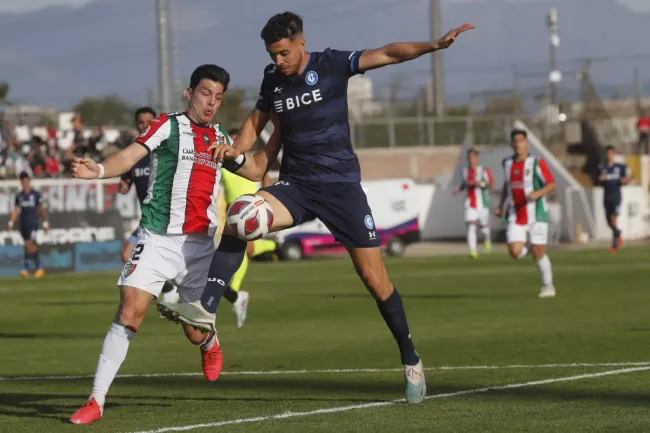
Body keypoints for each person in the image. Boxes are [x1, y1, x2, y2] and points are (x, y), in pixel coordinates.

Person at [160, 11, 475, 404]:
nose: (279, 61)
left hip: (341, 188)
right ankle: (205, 309)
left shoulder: (332, 64)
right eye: (273, 54)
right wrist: (234, 149)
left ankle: (410, 359)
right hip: (297, 186)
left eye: (284, 52)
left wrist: (435, 45)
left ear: (301, 42)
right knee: (241, 215)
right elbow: (254, 125)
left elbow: (389, 53)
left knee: (375, 280)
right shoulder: (273, 79)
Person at [68, 64, 234, 424]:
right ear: (189, 93)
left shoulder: (222, 137)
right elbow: (131, 155)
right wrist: (97, 170)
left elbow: (252, 170)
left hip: (200, 246)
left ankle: (207, 341)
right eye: (205, 93)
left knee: (193, 329)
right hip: (156, 237)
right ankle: (96, 401)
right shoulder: (167, 125)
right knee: (130, 309)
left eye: (218, 97)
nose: (211, 103)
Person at [117, 107, 180, 304]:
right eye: (140, 122)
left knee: (181, 265)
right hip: (149, 218)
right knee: (128, 254)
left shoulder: (165, 148)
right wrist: (124, 185)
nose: (144, 125)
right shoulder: (134, 154)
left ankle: (228, 294)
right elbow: (126, 182)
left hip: (169, 215)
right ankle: (169, 289)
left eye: (148, 122)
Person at [219, 127, 276, 328]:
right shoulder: (223, 164)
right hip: (232, 215)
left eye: (238, 140)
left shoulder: (253, 162)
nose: (235, 144)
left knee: (246, 250)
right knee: (244, 250)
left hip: (252, 214)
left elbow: (266, 181)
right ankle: (236, 294)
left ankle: (234, 292)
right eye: (232, 141)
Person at [496, 129, 557, 299]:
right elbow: (506, 186)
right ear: (511, 144)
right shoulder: (507, 163)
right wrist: (501, 205)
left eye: (521, 141)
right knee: (514, 252)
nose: (518, 144)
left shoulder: (537, 162)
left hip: (536, 214)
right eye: (515, 141)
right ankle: (532, 247)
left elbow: (552, 184)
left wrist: (537, 194)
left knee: (538, 253)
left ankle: (548, 285)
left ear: (527, 143)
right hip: (516, 214)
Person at [453, 148, 493, 258]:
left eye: (473, 157)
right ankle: (473, 251)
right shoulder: (464, 171)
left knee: (484, 228)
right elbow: (464, 184)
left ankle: (487, 240)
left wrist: (480, 184)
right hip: (470, 203)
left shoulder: (484, 170)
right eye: (469, 158)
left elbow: (490, 184)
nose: (471, 160)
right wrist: (459, 189)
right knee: (470, 226)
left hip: (482, 203)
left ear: (477, 158)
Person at [8, 171, 49, 277]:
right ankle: (29, 268)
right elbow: (16, 210)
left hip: (33, 223)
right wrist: (11, 222)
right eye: (22, 180)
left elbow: (41, 209)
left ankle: (36, 267)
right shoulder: (19, 196)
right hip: (23, 223)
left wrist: (44, 222)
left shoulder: (35, 194)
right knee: (27, 246)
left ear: (28, 181)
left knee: (30, 244)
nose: (24, 182)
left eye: (25, 180)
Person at [598, 145, 629, 252]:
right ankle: (618, 232)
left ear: (614, 154)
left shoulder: (620, 167)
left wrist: (624, 180)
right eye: (608, 153)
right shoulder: (602, 167)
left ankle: (614, 245)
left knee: (613, 218)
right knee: (609, 222)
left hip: (616, 196)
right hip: (606, 196)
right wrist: (600, 180)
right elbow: (598, 181)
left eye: (611, 153)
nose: (609, 155)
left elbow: (625, 179)